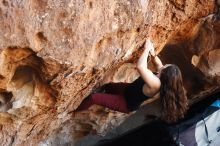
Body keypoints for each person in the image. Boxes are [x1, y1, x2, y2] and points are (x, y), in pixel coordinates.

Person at [76, 39, 188, 123]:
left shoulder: (156, 83)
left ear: (165, 73)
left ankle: (75, 112)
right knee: (108, 86)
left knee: (93, 97)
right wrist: (153, 53)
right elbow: (158, 63)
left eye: (166, 66)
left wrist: (146, 49)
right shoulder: (162, 75)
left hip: (125, 103)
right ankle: (105, 93)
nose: (163, 65)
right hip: (127, 89)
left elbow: (140, 67)